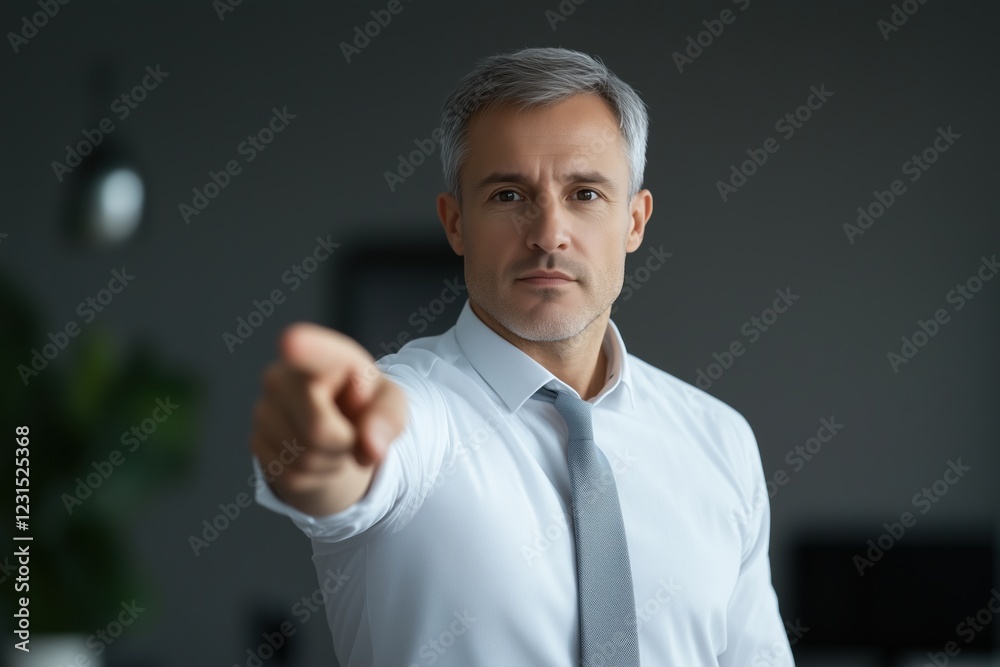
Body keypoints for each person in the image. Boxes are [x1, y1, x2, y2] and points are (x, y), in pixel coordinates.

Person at [250, 46, 794, 666]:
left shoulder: (720, 442)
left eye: (585, 194)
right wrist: (321, 454)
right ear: (455, 223)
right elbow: (355, 472)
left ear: (635, 222)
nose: (548, 233)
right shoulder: (414, 412)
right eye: (509, 195)